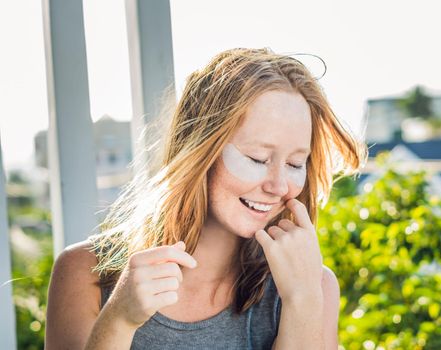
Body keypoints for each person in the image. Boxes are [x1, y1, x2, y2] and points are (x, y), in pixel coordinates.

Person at [45, 47, 367, 349]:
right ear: (199, 151)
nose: (280, 186)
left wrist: (303, 302)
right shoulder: (84, 272)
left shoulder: (316, 287)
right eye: (257, 158)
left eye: (296, 164)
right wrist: (118, 320)